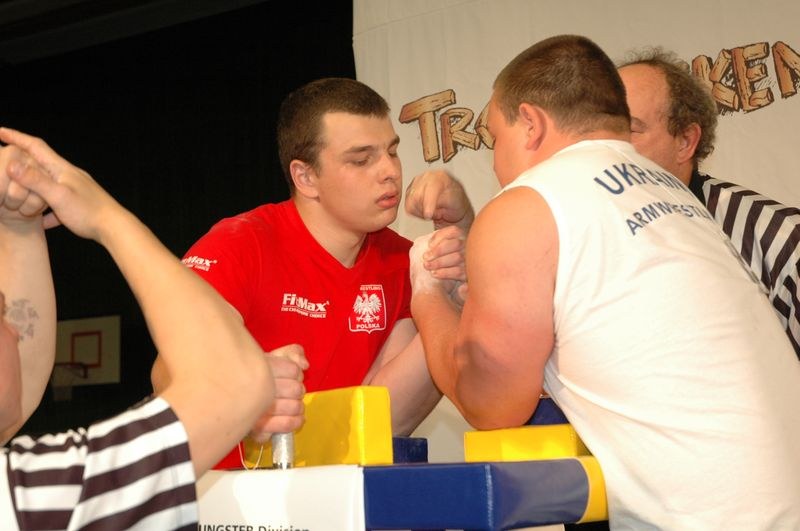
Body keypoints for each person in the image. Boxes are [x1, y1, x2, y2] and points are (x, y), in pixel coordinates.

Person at [409, 35, 800, 528]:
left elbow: (491, 404)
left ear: (530, 123)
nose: (493, 162)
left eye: (495, 138)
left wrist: (425, 293)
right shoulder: (677, 197)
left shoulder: (528, 202)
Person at [151, 77, 472, 468]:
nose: (389, 171)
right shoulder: (241, 243)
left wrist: (453, 275)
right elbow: (168, 372)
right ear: (305, 177)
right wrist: (246, 388)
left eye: (392, 152)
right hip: (228, 505)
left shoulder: (403, 261)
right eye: (361, 159)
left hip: (334, 497)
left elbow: (383, 416)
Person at [0, 127, 306, 529]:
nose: (17, 331)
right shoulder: (34, 497)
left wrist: (17, 225)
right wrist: (103, 215)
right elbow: (232, 384)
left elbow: (14, 392)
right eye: (1, 315)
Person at [618, 48, 800, 358]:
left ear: (686, 141)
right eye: (601, 133)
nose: (610, 146)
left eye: (630, 130)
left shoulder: (779, 238)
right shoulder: (571, 237)